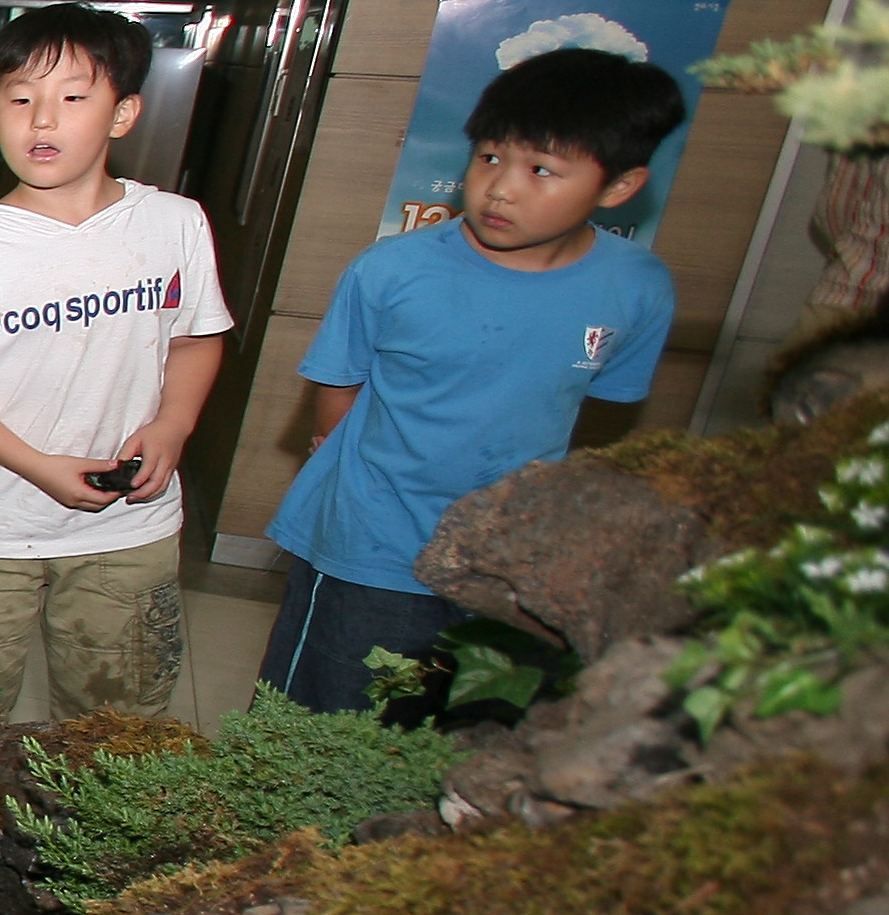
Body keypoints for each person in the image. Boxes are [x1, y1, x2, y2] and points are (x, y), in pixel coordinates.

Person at [259, 47, 682, 712]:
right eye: (489, 157)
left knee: (462, 741)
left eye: (542, 170)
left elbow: (597, 410)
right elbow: (336, 391)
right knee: (323, 727)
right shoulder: (392, 271)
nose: (502, 187)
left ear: (620, 186)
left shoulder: (637, 287)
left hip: (513, 565)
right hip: (376, 546)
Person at [0, 6, 234, 722]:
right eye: (21, 101)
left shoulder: (174, 224)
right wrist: (40, 465)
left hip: (131, 527)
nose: (43, 121)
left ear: (124, 114)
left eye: (73, 98)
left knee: (114, 728)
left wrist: (175, 425)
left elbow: (196, 337)